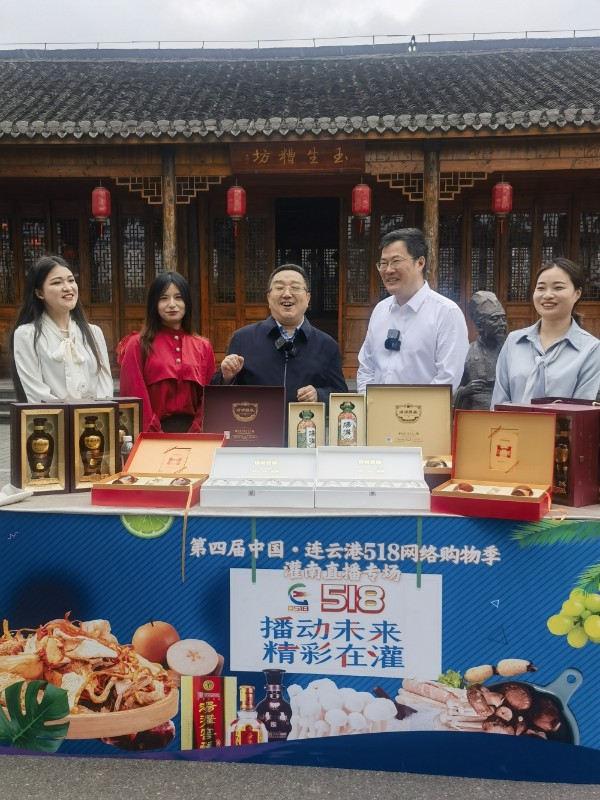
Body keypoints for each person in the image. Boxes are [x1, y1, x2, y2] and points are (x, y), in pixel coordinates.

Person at [211, 263, 348, 405]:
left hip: (305, 418)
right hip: (257, 419)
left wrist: (319, 395)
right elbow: (217, 397)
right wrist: (226, 377)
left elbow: (341, 395)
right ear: (269, 298)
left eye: (295, 287)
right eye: (279, 287)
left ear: (308, 298)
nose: (287, 294)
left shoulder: (327, 345)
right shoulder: (243, 338)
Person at [356, 228, 469, 393]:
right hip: (376, 408)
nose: (388, 270)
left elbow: (448, 378)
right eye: (383, 263)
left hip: (423, 409)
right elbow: (366, 368)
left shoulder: (446, 313)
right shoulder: (380, 310)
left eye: (396, 261)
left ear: (420, 263)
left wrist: (406, 407)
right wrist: (369, 401)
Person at [491, 258, 600, 406]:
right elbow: (498, 402)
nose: (547, 295)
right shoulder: (514, 341)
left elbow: (581, 409)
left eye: (558, 288)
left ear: (577, 293)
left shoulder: (591, 348)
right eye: (541, 288)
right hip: (511, 422)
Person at [117, 271, 215, 432]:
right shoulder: (138, 344)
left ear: (187, 302)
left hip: (194, 434)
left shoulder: (203, 346)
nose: (172, 304)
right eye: (164, 298)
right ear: (154, 303)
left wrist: (196, 431)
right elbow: (133, 395)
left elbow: (209, 397)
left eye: (178, 297)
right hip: (152, 434)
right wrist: (155, 434)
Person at [10, 254, 113, 403]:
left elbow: (105, 384)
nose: (68, 287)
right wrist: (71, 413)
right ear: (39, 293)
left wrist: (96, 412)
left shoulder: (94, 332)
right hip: (52, 416)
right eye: (57, 282)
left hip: (94, 416)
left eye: (71, 280)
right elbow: (36, 393)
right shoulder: (27, 335)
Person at [454, 291, 507, 410]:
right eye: (495, 319)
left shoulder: (512, 351)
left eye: (503, 318)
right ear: (479, 325)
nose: (502, 324)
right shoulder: (467, 353)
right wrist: (464, 391)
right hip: (476, 415)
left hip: (507, 414)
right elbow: (449, 391)